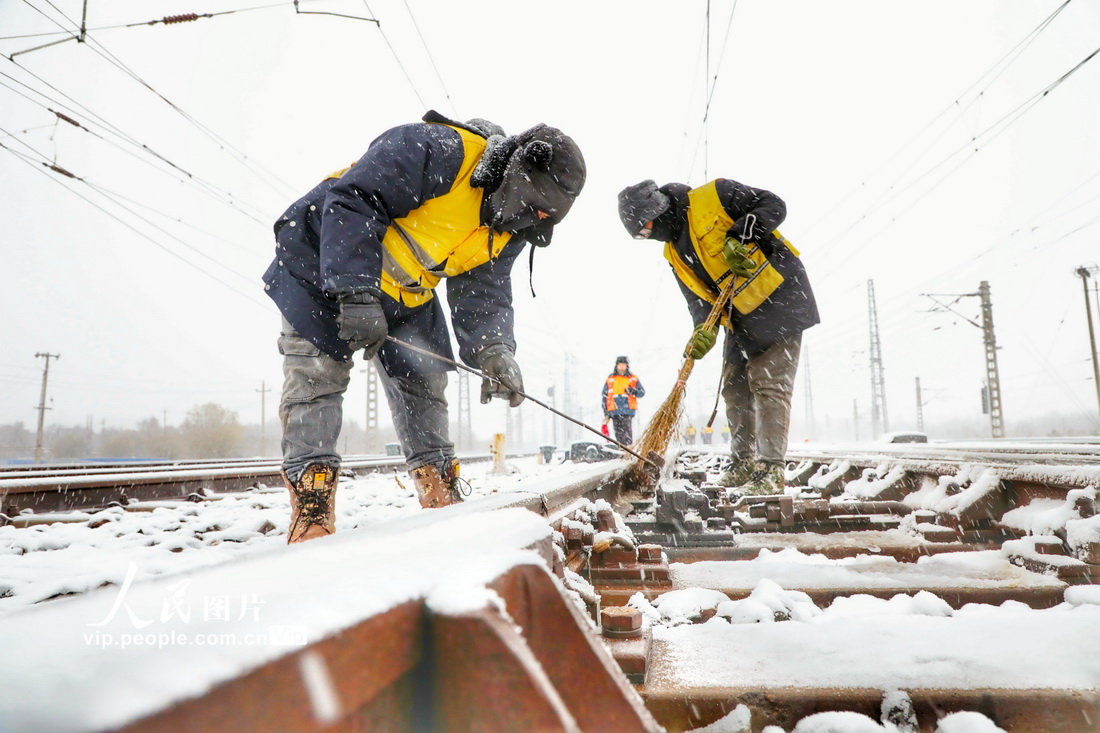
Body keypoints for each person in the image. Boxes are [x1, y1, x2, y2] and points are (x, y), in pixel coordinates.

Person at [264, 111, 586, 542]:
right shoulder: (439, 152)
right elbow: (354, 199)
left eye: (545, 216)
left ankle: (440, 495)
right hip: (326, 261)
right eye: (533, 205)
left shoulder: (514, 228)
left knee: (425, 381)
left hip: (405, 288)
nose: (532, 220)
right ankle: (312, 512)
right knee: (317, 379)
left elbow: (483, 291)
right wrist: (356, 292)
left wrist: (494, 350)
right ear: (515, 169)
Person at [617, 178, 818, 495]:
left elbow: (773, 205)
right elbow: (698, 301)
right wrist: (702, 330)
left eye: (644, 229)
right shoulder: (674, 254)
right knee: (735, 388)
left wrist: (741, 235)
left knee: (768, 384)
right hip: (740, 316)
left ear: (655, 210)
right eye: (641, 236)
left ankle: (770, 469)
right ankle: (743, 463)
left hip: (778, 298)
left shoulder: (714, 196)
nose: (647, 236)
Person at [601, 355, 645, 445]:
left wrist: (632, 391)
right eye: (620, 365)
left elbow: (642, 392)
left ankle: (628, 450)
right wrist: (606, 412)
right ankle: (621, 450)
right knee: (618, 434)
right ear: (616, 365)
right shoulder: (610, 379)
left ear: (627, 366)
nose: (621, 367)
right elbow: (605, 396)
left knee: (627, 433)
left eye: (623, 365)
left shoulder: (633, 378)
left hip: (627, 410)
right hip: (614, 411)